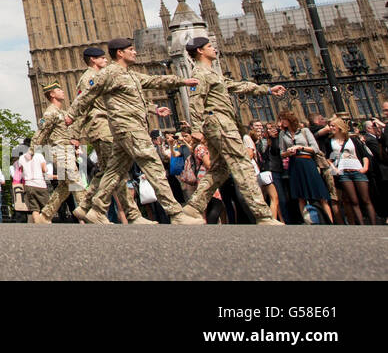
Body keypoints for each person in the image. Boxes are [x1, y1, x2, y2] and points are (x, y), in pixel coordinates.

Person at [64, 37, 203, 225]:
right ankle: (175, 213)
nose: (135, 52)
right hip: (125, 127)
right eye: (131, 49)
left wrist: (181, 82)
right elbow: (86, 96)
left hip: (128, 128)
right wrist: (71, 119)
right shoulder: (107, 74)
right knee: (153, 165)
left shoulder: (129, 74)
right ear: (120, 53)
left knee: (113, 171)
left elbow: (153, 81)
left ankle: (96, 209)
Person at [178, 38, 285, 225]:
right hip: (219, 123)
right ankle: (263, 215)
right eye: (209, 46)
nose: (214, 48)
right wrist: (195, 128)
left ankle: (193, 207)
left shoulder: (213, 73)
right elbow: (195, 100)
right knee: (242, 164)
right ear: (200, 51)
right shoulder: (200, 74)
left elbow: (237, 85)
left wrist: (266, 90)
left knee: (220, 169)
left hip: (222, 123)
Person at [70, 47, 143, 224]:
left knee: (107, 171)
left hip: (109, 126)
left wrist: (153, 110)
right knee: (116, 170)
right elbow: (82, 105)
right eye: (102, 58)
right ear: (93, 60)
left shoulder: (104, 77)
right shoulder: (88, 79)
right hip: (100, 127)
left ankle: (85, 207)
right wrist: (74, 134)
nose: (106, 60)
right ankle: (130, 214)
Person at [33, 81, 81, 223]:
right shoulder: (50, 112)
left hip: (67, 150)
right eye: (59, 90)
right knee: (75, 180)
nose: (63, 91)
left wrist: (74, 139)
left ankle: (45, 215)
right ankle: (90, 212)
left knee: (65, 187)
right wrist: (31, 151)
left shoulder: (63, 113)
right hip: (59, 151)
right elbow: (41, 133)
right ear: (52, 94)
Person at [276, 108, 331, 224]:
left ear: (289, 119)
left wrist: (300, 148)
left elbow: (315, 148)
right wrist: (288, 153)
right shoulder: (282, 134)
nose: (281, 123)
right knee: (300, 196)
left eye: (283, 120)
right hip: (295, 164)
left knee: (320, 195)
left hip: (307, 163)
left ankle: (329, 221)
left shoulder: (304, 131)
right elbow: (281, 153)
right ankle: (308, 221)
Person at [327, 116, 377, 225]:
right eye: (330, 126)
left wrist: (365, 168)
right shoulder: (330, 141)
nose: (330, 127)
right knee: (353, 201)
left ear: (339, 127)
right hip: (344, 172)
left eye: (332, 125)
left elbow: (363, 155)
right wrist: (335, 169)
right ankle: (361, 225)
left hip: (357, 169)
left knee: (366, 200)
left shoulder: (352, 139)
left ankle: (374, 225)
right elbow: (329, 158)